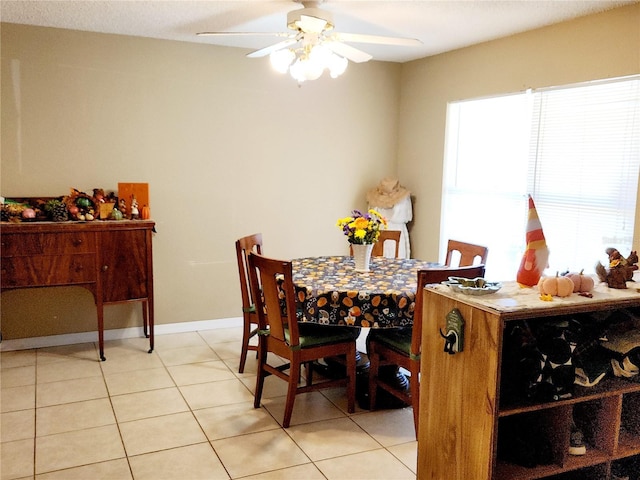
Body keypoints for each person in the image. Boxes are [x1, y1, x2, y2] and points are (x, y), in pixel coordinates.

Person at [366, 177, 413, 258]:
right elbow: (408, 216)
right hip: (389, 229)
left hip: (383, 229)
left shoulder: (403, 199)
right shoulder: (404, 200)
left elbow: (370, 216)